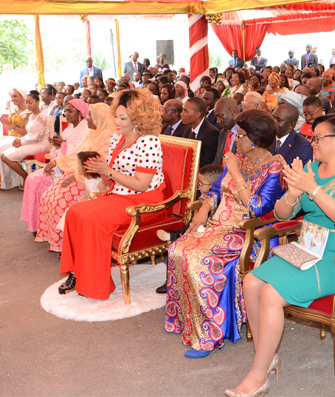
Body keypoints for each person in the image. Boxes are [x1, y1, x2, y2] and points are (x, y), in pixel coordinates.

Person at [227, 115, 335, 397]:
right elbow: (282, 214)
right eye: (311, 137)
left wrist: (313, 189)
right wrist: (293, 194)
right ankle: (266, 358)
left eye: (318, 138)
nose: (311, 143)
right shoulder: (310, 168)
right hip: (309, 247)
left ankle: (258, 375)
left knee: (270, 294)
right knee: (251, 283)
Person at [165, 109, 287, 358]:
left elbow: (259, 208)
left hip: (246, 232)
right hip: (219, 225)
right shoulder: (238, 157)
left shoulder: (274, 167)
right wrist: (205, 208)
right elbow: (218, 190)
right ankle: (186, 321)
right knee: (176, 249)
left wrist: (237, 174)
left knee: (197, 258)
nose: (235, 139)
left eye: (240, 135)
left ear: (255, 139)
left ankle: (209, 334)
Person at [58, 88, 165, 299]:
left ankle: (91, 281)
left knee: (91, 218)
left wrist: (107, 171)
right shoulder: (117, 139)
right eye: (115, 115)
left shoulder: (149, 142)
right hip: (119, 195)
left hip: (143, 201)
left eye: (122, 118)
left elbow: (142, 185)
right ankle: (77, 272)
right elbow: (110, 181)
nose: (116, 121)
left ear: (137, 118)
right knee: (75, 212)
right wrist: (100, 170)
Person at [21, 99, 90, 234]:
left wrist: (61, 147)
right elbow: (59, 151)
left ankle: (48, 227)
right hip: (60, 164)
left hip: (72, 167)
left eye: (70, 111)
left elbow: (79, 153)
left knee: (37, 180)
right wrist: (57, 146)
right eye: (66, 110)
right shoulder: (70, 128)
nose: (66, 114)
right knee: (31, 178)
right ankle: (36, 223)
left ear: (80, 112)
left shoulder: (86, 129)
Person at [155, 163, 224, 293]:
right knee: (178, 241)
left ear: (213, 185)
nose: (198, 185)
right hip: (198, 230)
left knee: (182, 238)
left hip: (210, 233)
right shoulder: (204, 197)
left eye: (201, 182)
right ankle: (170, 280)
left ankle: (175, 235)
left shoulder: (217, 199)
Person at [1, 91, 50, 189]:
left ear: (37, 102)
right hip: (31, 142)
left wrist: (22, 142)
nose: (28, 105)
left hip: (41, 144)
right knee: (3, 155)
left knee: (7, 157)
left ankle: (26, 178)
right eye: (27, 102)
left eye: (30, 102)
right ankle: (25, 178)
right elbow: (29, 133)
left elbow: (38, 137)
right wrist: (19, 139)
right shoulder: (31, 115)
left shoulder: (42, 116)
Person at [56, 151, 107, 232]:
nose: (77, 167)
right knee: (70, 210)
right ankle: (71, 234)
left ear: (86, 167)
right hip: (88, 205)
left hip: (96, 208)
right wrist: (77, 203)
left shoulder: (100, 183)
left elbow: (104, 201)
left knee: (73, 212)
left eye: (79, 164)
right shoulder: (86, 179)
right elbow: (86, 196)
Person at [0, 88, 29, 189]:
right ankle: (8, 181)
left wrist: (11, 126)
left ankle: (12, 181)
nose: (12, 99)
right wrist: (5, 123)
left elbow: (27, 132)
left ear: (22, 97)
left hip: (23, 138)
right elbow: (9, 127)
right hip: (11, 136)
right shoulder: (12, 109)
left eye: (15, 96)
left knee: (1, 149)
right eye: (11, 97)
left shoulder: (28, 111)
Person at [181, 98, 219, 168]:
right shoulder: (186, 129)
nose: (181, 114)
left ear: (197, 114)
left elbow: (207, 163)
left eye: (185, 111)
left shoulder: (211, 133)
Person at [213, 97, 239, 165]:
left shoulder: (246, 133)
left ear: (232, 111)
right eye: (216, 118)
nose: (218, 121)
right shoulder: (223, 133)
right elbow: (217, 160)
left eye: (220, 116)